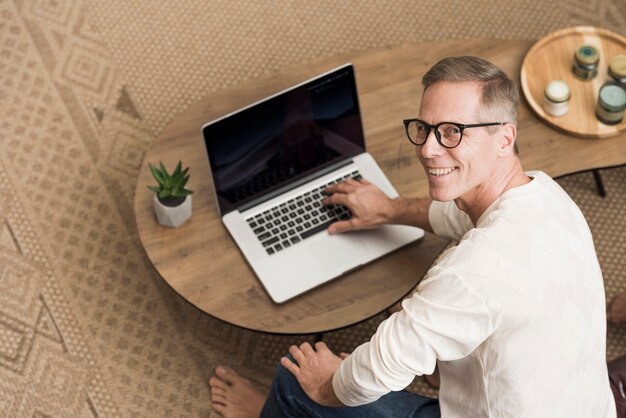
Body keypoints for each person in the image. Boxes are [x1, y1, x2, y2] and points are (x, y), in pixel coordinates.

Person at [209, 56, 616, 417]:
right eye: (424, 128)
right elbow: (461, 219)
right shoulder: (545, 196)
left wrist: (326, 385)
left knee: (297, 382)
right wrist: (389, 209)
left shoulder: (475, 273)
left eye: (453, 132)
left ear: (505, 137)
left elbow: (374, 371)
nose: (428, 149)